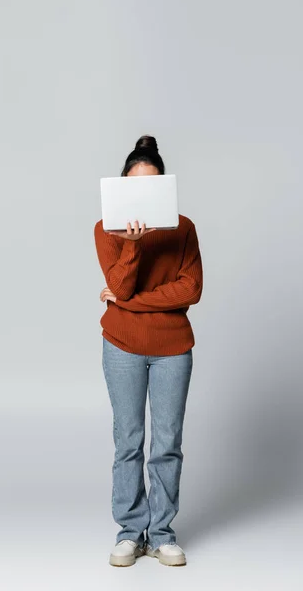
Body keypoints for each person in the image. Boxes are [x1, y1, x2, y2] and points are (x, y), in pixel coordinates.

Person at [94, 135, 203, 567]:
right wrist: (133, 244)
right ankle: (129, 531)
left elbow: (191, 290)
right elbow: (120, 284)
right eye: (134, 186)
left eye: (152, 187)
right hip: (121, 346)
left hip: (173, 348)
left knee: (167, 443)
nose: (142, 196)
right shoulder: (106, 229)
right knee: (129, 441)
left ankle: (161, 533)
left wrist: (129, 303)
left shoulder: (184, 228)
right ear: (122, 186)